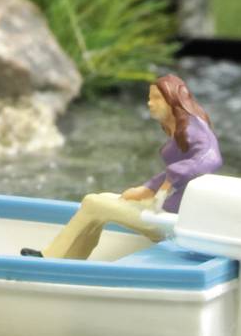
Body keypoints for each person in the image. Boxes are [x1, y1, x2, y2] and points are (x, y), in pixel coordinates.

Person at [39, 72, 220, 260]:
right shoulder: (180, 128)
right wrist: (148, 188)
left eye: (156, 98)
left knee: (94, 203)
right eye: (149, 98)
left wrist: (169, 180)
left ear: (173, 100)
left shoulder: (193, 128)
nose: (150, 103)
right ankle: (67, 258)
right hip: (164, 207)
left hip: (170, 217)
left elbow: (210, 158)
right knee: (98, 199)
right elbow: (173, 172)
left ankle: (50, 258)